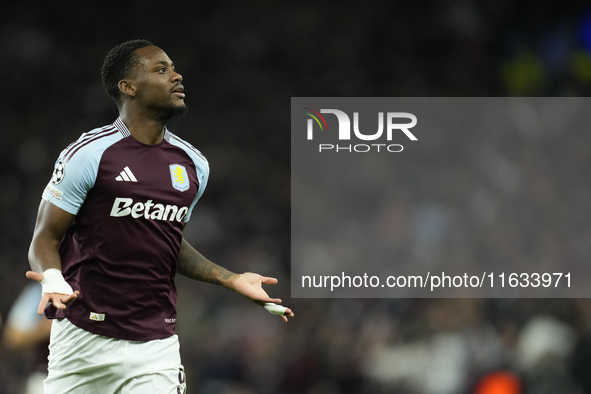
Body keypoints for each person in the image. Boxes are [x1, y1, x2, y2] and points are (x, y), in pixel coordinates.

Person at [26, 39, 293, 393]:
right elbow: (44, 238)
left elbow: (165, 240)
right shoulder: (89, 154)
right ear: (128, 87)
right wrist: (54, 277)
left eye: (174, 68)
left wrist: (231, 279)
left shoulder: (193, 165)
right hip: (81, 340)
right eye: (161, 69)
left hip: (156, 346)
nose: (177, 76)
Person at [2, 282, 51, 394]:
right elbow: (13, 337)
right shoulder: (41, 290)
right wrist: (46, 327)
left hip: (91, 374)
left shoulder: (94, 289)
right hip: (46, 376)